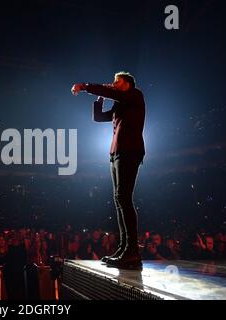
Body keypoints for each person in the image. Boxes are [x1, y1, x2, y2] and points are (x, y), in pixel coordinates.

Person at [72, 71, 145, 270]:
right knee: (119, 199)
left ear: (127, 83)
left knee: (124, 197)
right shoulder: (120, 103)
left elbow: (118, 94)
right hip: (116, 153)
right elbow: (98, 118)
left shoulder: (135, 95)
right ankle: (124, 248)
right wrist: (99, 99)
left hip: (130, 151)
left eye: (117, 81)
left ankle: (132, 251)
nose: (113, 83)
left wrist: (85, 85)